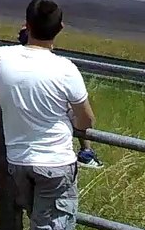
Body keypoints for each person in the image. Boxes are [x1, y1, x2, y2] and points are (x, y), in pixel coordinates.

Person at [0, 0, 95, 230]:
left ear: (25, 25)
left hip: (19, 162)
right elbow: (86, 119)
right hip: (54, 163)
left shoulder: (2, 57)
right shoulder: (65, 69)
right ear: (60, 28)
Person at [18, 23, 104, 170]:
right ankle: (86, 152)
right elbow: (86, 119)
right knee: (72, 108)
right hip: (49, 156)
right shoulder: (61, 68)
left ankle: (86, 152)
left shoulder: (6, 59)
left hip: (19, 150)